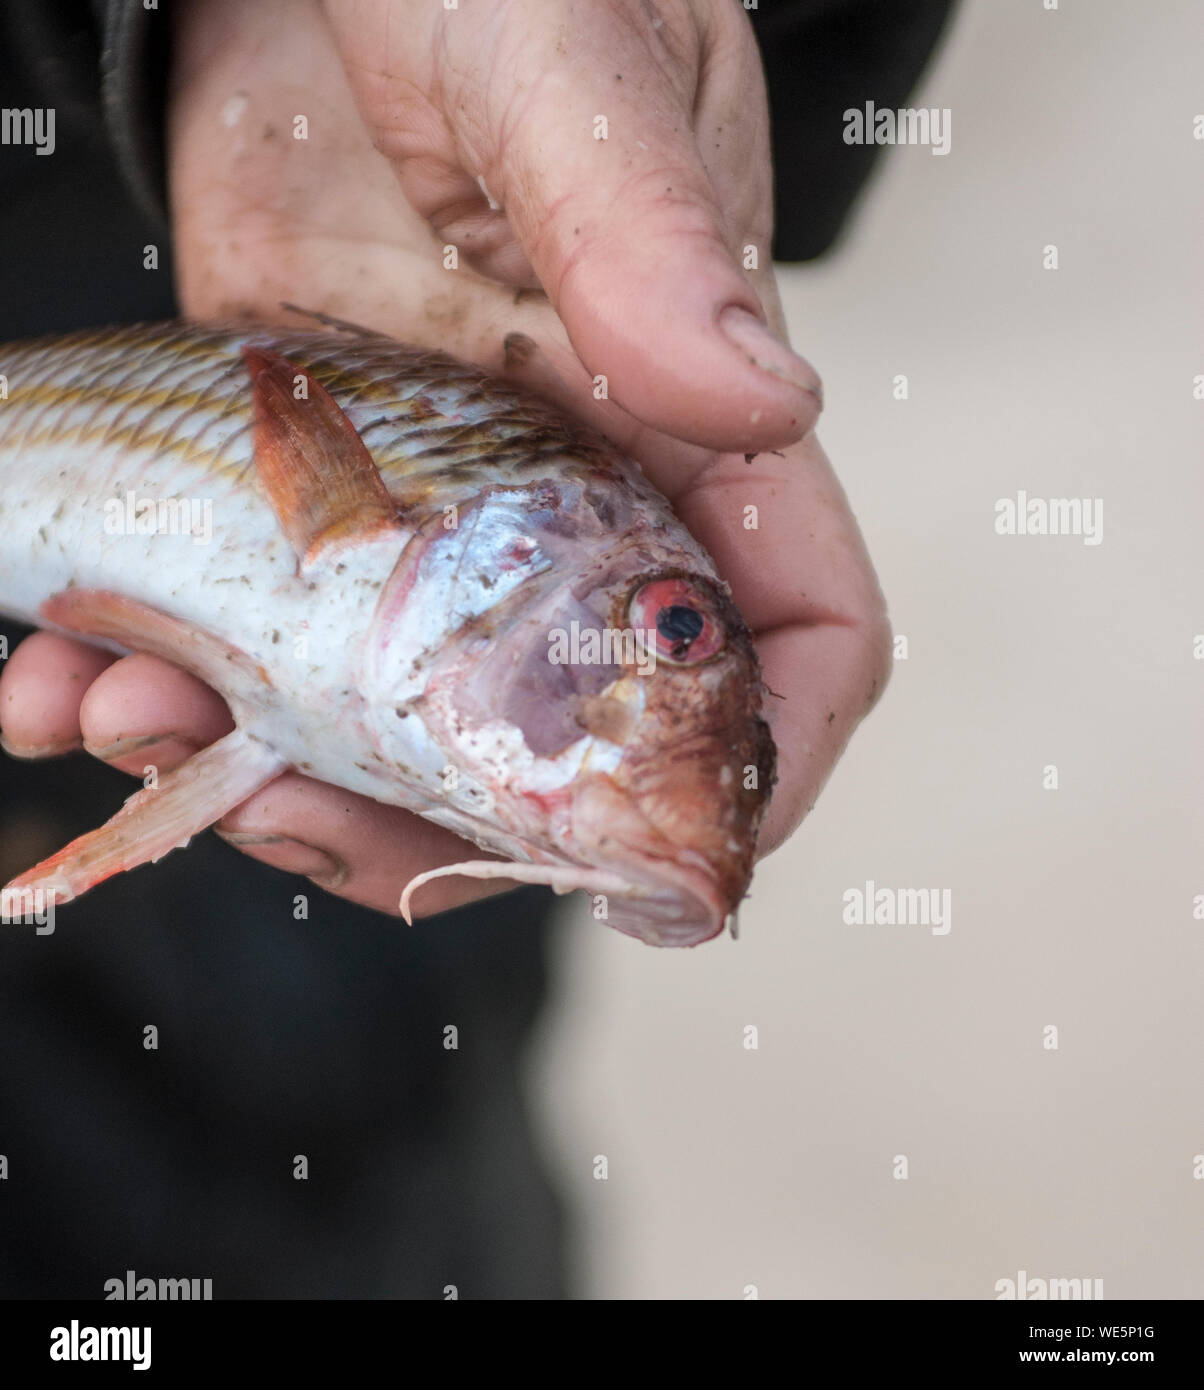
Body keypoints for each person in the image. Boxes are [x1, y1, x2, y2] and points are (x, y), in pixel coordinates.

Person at [0, 0, 954, 1297]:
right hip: (121, 225)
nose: (667, 681)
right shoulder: (381, 519)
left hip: (171, 168)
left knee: (323, 1139)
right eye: (670, 629)